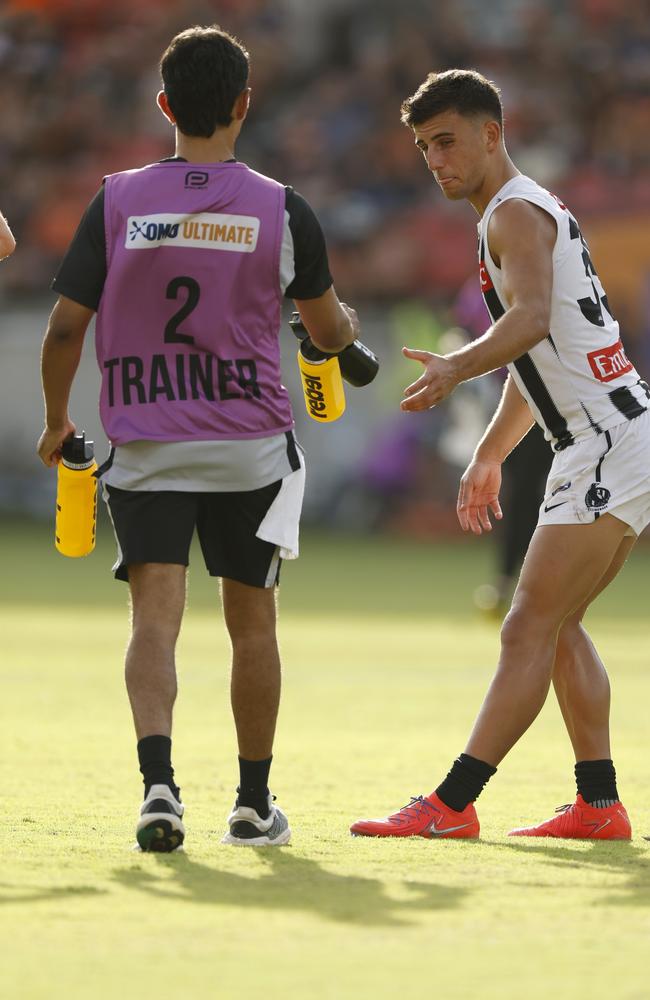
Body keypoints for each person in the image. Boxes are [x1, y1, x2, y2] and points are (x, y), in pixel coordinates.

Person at [37, 25, 358, 852]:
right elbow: (326, 329)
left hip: (146, 443)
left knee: (155, 622)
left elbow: (66, 328)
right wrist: (340, 326)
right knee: (253, 627)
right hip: (249, 445)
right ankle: (253, 805)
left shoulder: (115, 201)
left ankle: (158, 789)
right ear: (244, 106)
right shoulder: (281, 207)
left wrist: (56, 419)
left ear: (164, 105)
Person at [351, 69, 650, 841]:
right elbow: (542, 347)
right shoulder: (525, 209)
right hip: (609, 433)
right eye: (424, 148)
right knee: (558, 626)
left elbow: (526, 321)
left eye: (447, 141)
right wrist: (489, 452)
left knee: (527, 626)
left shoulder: (512, 214)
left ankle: (451, 803)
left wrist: (455, 367)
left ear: (492, 133)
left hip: (605, 441)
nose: (436, 159)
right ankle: (597, 805)